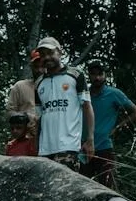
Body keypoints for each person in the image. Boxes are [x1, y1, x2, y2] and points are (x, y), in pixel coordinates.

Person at [31, 37, 93, 169]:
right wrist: (36, 146)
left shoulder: (75, 75)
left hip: (69, 147)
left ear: (60, 52)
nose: (47, 57)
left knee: (65, 188)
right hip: (45, 150)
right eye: (43, 55)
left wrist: (90, 139)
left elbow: (87, 106)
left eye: (50, 53)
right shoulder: (39, 83)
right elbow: (38, 117)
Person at [84, 58, 136, 189]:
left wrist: (117, 127)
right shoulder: (84, 94)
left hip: (105, 147)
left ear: (105, 74)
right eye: (93, 74)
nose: (97, 77)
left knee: (106, 187)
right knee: (84, 187)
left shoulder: (113, 93)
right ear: (89, 75)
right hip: (85, 148)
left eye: (100, 74)